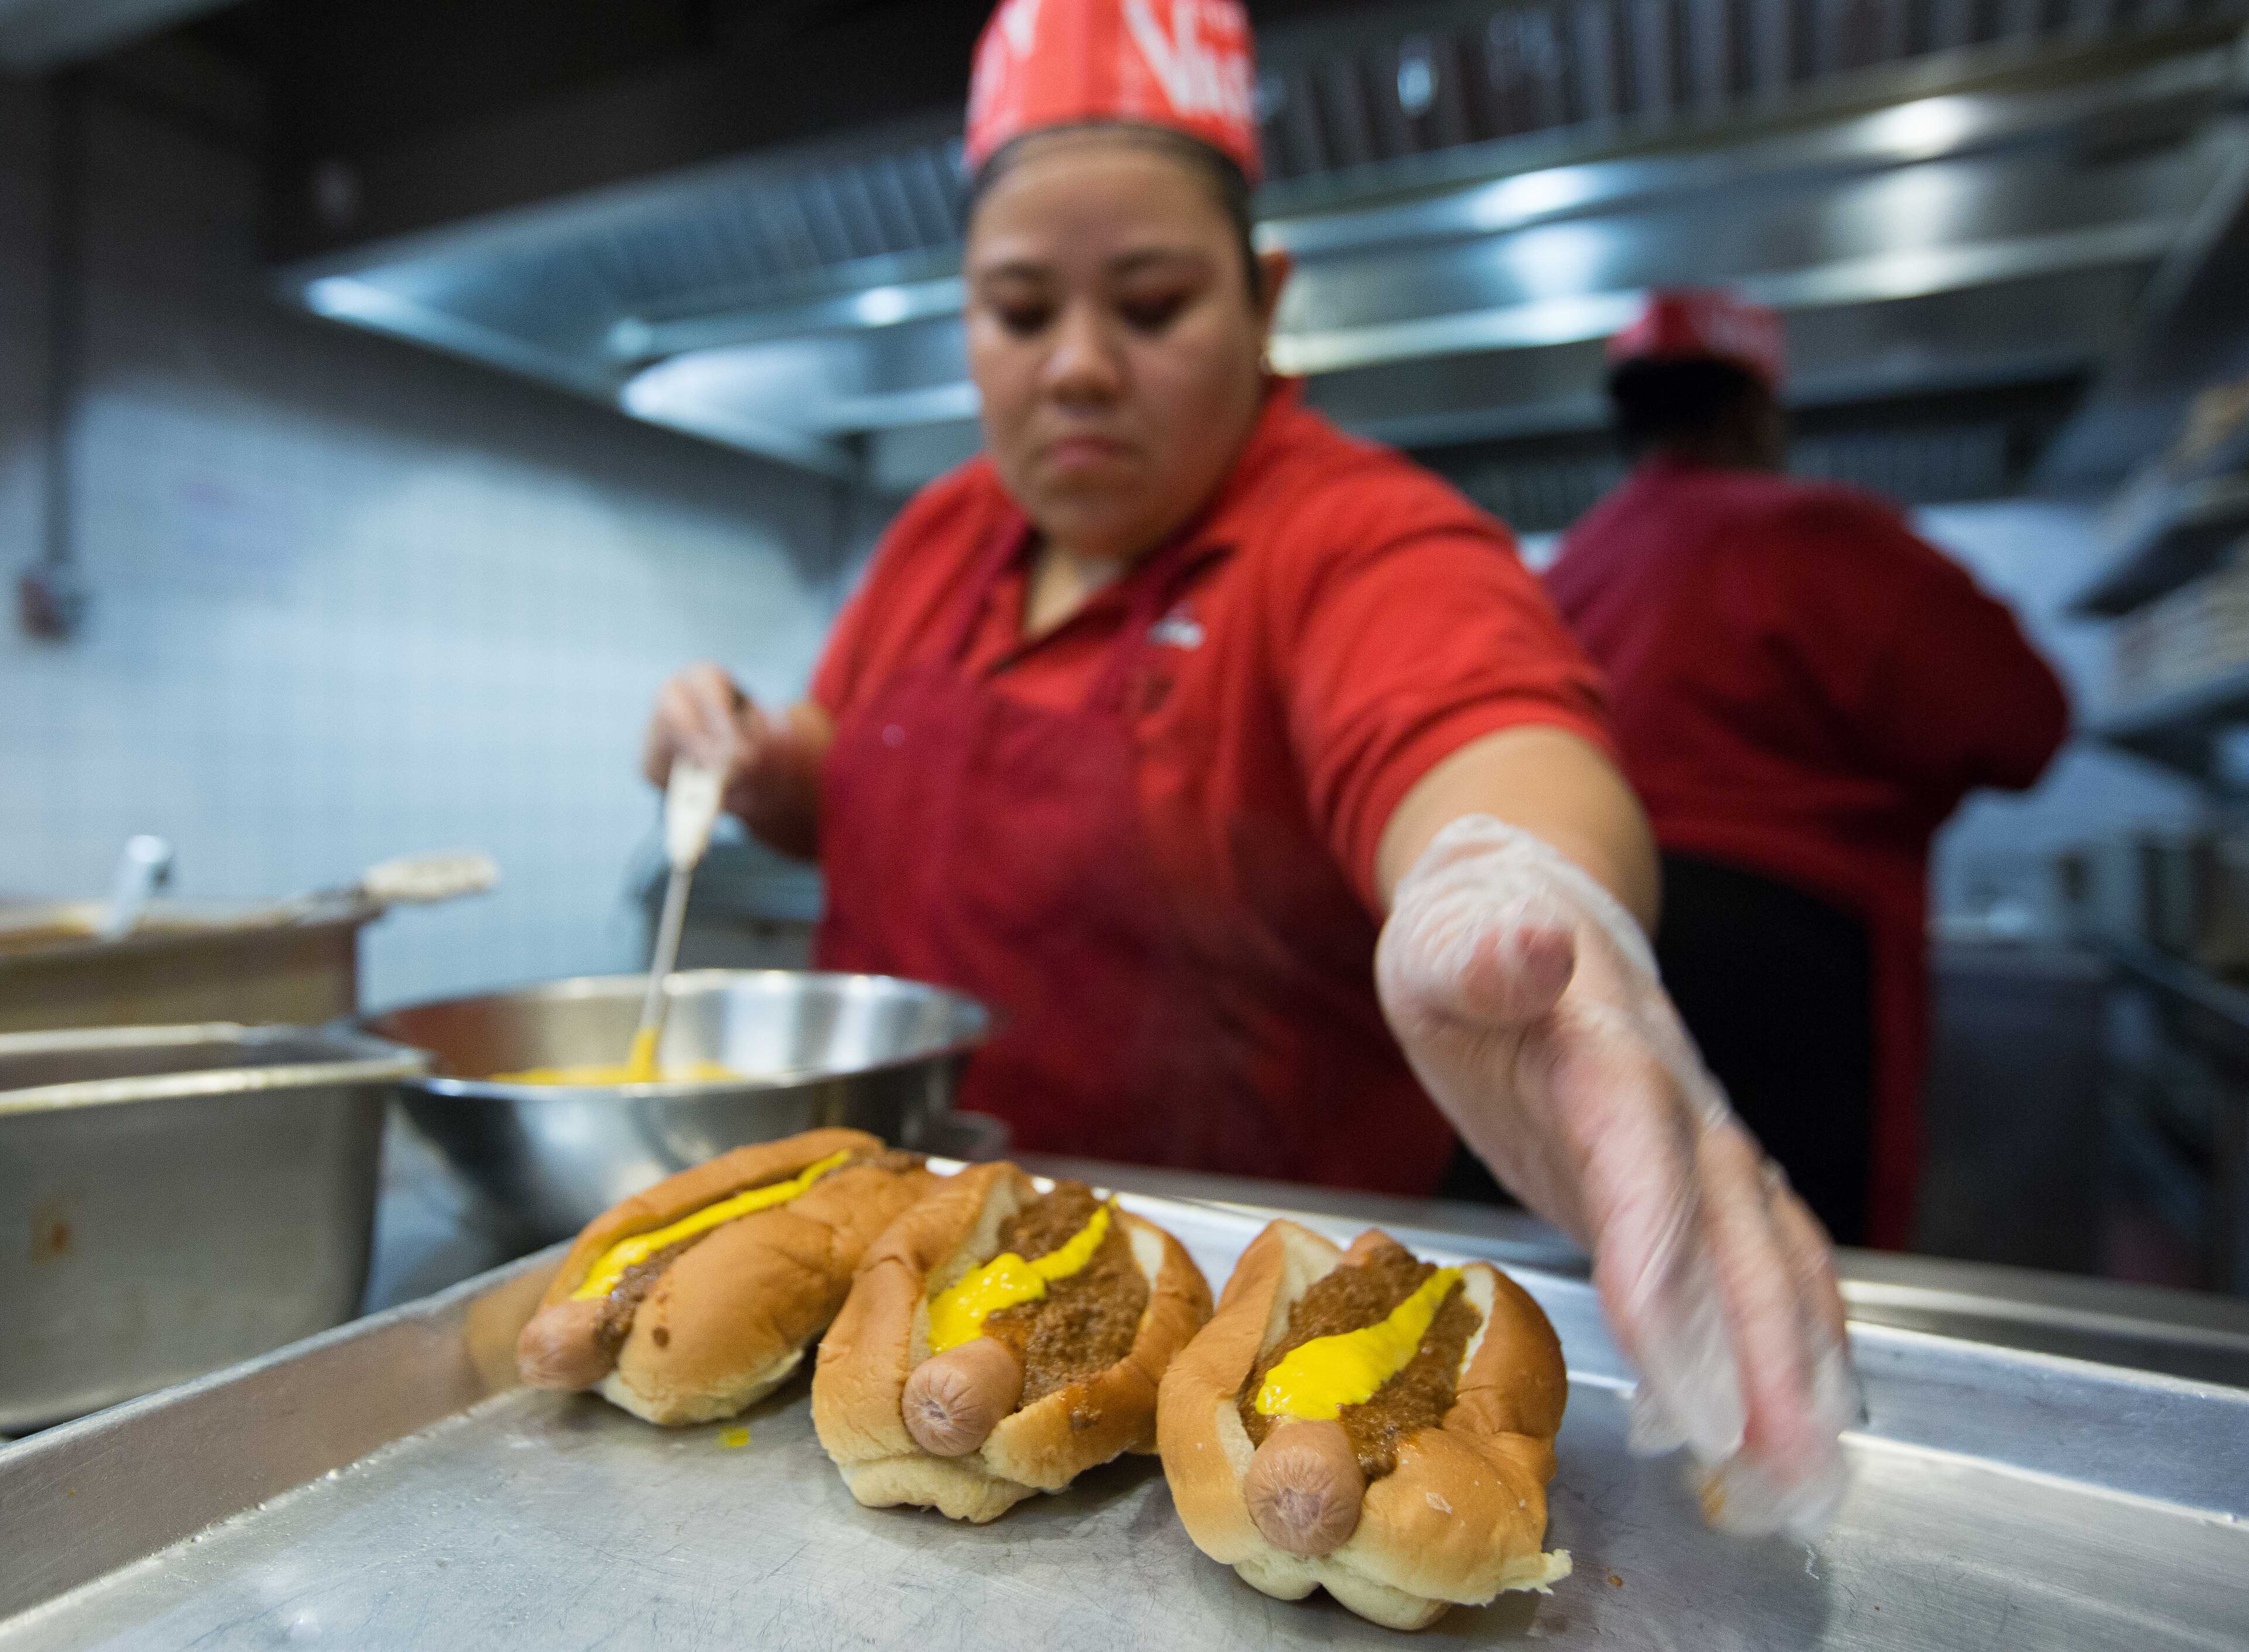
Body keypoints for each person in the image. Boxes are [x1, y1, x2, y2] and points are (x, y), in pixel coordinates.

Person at [647, 0, 1853, 1534]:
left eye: (1150, 306)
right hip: (901, 1299)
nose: (1078, 366)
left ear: (1265, 297)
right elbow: (868, 781)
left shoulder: (1353, 536)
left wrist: (1527, 891)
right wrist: (750, 762)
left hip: (1245, 1360)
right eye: (1020, 313)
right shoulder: (938, 536)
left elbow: (1479, 732)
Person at [1544, 291, 2070, 1250]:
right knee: (1804, 1266)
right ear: (1755, 414)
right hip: (1795, 951)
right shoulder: (1829, 535)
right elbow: (2025, 724)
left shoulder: (1573, 566)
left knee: (1628, 1245)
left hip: (1602, 933)